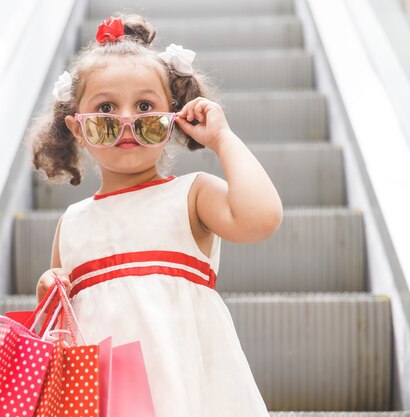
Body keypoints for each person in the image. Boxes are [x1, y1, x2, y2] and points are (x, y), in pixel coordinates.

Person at [28, 13, 282, 417]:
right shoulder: (72, 222)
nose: (126, 120)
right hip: (108, 397)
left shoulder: (191, 195)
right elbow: (67, 323)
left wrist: (221, 138)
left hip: (189, 389)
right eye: (106, 107)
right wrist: (51, 285)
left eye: (145, 106)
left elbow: (261, 218)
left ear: (171, 118)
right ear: (77, 129)